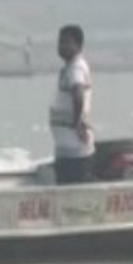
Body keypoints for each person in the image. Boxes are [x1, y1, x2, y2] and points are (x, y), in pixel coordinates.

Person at [50, 25, 96, 184]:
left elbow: (78, 94)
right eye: (60, 42)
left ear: (78, 45)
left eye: (66, 42)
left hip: (75, 151)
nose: (61, 47)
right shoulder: (70, 68)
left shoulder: (76, 68)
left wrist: (77, 124)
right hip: (67, 150)